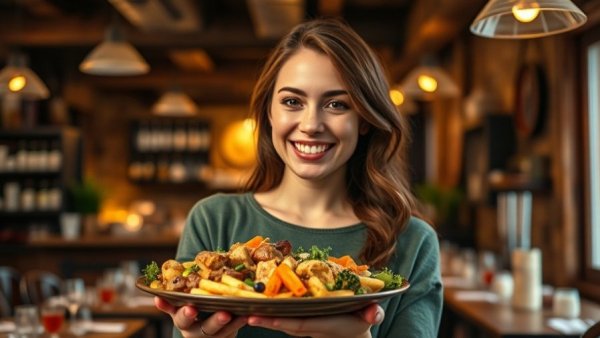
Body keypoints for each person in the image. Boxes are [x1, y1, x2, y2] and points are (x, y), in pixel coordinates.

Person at [155, 18, 442, 338]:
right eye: (292, 101)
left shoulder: (413, 242)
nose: (310, 124)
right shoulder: (213, 220)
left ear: (364, 119)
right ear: (270, 113)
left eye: (337, 104)